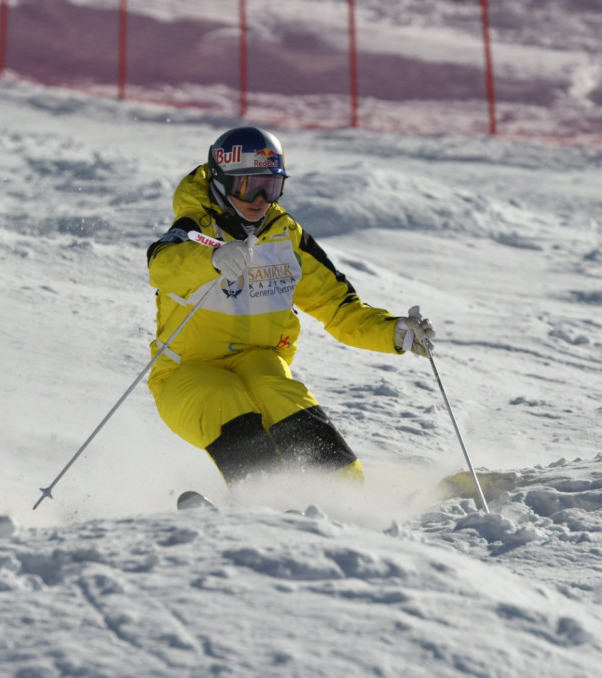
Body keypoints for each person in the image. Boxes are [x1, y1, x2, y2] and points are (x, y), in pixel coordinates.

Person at [146, 126, 435, 488]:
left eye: (272, 186)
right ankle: (262, 502)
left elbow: (338, 306)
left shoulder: (285, 236)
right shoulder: (195, 228)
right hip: (186, 371)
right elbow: (162, 264)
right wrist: (214, 259)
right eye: (249, 186)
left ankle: (347, 498)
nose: (261, 199)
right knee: (225, 399)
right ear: (221, 182)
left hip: (261, 363)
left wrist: (392, 332)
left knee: (287, 403)